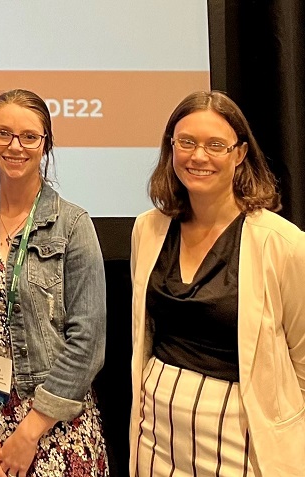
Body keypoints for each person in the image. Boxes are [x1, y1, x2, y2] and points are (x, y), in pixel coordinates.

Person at [129, 90, 305, 476]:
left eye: (215, 145)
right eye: (186, 142)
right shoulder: (148, 229)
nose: (198, 156)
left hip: (242, 435)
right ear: (170, 147)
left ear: (240, 153)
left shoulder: (282, 243)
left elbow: (303, 358)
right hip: (156, 432)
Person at [0, 89, 109, 477]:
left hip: (54, 423)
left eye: (29, 137)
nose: (15, 146)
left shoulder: (73, 226)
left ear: (45, 144)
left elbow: (86, 342)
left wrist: (30, 433)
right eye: (3, 133)